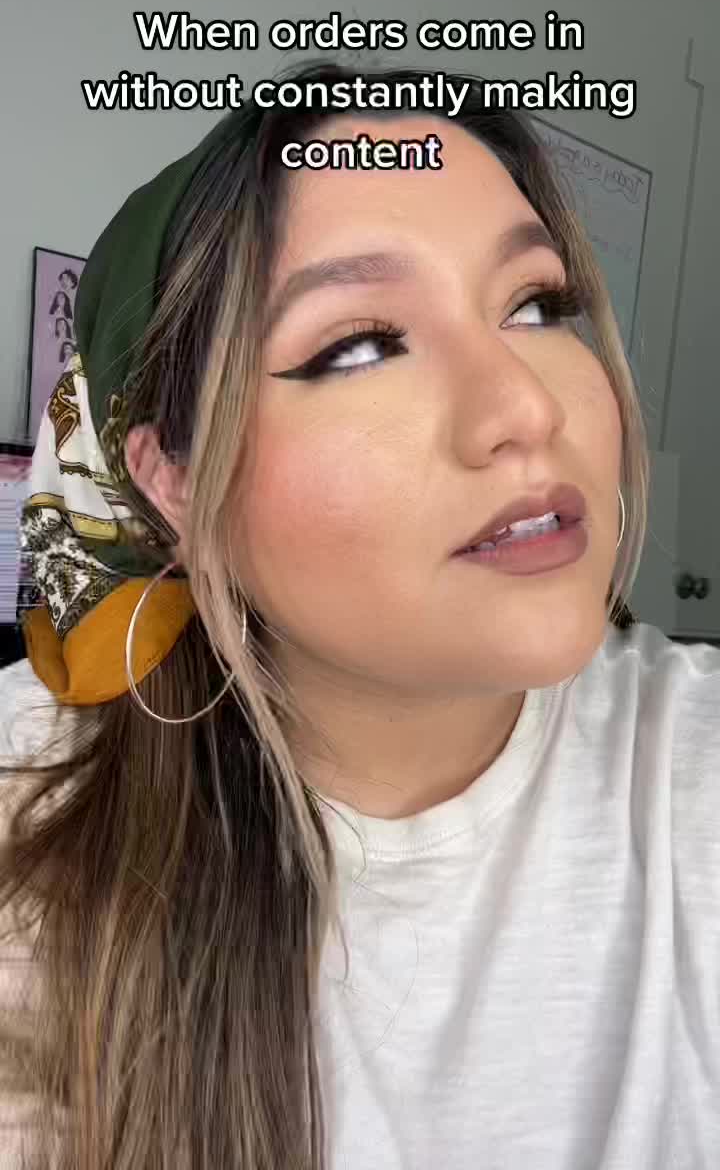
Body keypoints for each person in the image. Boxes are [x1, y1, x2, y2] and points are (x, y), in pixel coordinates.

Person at [0, 58, 718, 1170]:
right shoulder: (26, 807)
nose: (526, 404)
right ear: (174, 485)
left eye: (537, 305)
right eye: (362, 345)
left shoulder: (689, 775)